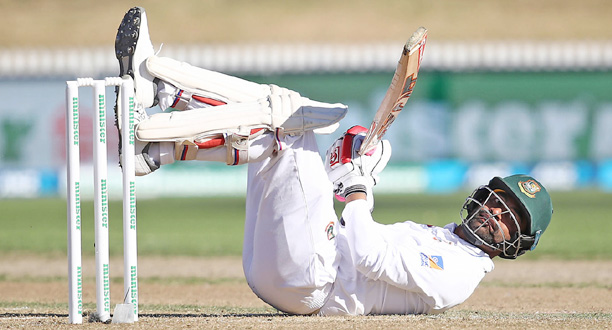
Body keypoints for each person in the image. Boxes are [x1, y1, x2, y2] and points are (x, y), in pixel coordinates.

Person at [115, 7, 553, 315]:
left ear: (517, 244)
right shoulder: (444, 240)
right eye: (500, 200)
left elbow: (364, 253)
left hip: (312, 283)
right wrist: (354, 163)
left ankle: (163, 99)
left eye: (511, 217)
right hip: (295, 267)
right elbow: (330, 202)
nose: (497, 212)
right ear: (482, 194)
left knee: (295, 118)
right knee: (276, 129)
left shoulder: (459, 272)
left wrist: (359, 185)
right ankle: (155, 140)